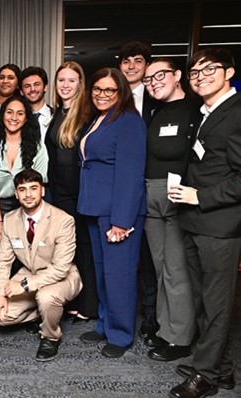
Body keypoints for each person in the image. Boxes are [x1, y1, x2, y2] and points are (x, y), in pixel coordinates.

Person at [167, 48, 241, 398]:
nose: (200, 76)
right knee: (204, 300)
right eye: (194, 72)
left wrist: (201, 196)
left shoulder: (237, 113)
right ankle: (221, 369)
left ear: (229, 72)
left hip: (219, 224)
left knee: (218, 303)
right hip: (195, 222)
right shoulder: (206, 113)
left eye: (209, 69)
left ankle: (205, 374)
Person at [77, 67, 146, 358]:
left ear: (121, 93)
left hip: (117, 212)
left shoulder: (129, 121)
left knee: (119, 275)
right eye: (97, 89)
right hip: (97, 208)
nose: (101, 95)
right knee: (103, 273)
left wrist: (121, 220)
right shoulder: (100, 118)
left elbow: (131, 174)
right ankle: (106, 324)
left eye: (109, 90)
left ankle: (121, 334)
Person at [0, 169, 82, 362]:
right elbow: (3, 261)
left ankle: (50, 336)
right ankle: (44, 312)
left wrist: (24, 285)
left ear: (42, 190)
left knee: (46, 296)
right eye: (22, 189)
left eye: (33, 188)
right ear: (16, 194)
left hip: (61, 277)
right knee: (1, 315)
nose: (28, 194)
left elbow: (60, 268)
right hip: (29, 272)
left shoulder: (63, 220)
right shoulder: (9, 219)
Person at [141, 58, 198, 362]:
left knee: (177, 270)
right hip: (150, 191)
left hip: (177, 194)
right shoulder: (154, 112)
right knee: (161, 268)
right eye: (148, 80)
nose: (154, 82)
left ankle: (181, 337)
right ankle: (166, 329)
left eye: (159, 75)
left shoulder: (195, 111)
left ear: (177, 76)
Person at [45, 61, 97, 323]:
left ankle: (88, 307)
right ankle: (73, 300)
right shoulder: (58, 114)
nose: (65, 85)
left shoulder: (87, 116)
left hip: (78, 195)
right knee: (67, 251)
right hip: (58, 193)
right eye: (61, 80)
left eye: (71, 80)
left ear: (80, 84)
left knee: (84, 249)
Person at [0, 94, 47, 299]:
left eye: (20, 113)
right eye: (9, 112)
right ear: (2, 115)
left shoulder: (37, 147)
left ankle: (24, 302)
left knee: (27, 256)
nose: (14, 117)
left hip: (27, 207)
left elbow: (40, 184)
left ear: (26, 118)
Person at [118, 41, 159, 343]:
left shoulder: (159, 101)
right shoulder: (112, 100)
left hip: (154, 189)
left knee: (152, 259)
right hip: (124, 190)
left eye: (138, 61)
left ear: (146, 65)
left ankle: (151, 317)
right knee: (126, 258)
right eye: (126, 61)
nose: (131, 66)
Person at [19, 66, 53, 143]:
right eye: (27, 86)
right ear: (21, 91)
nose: (32, 89)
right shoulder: (16, 118)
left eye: (37, 84)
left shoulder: (56, 117)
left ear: (45, 87)